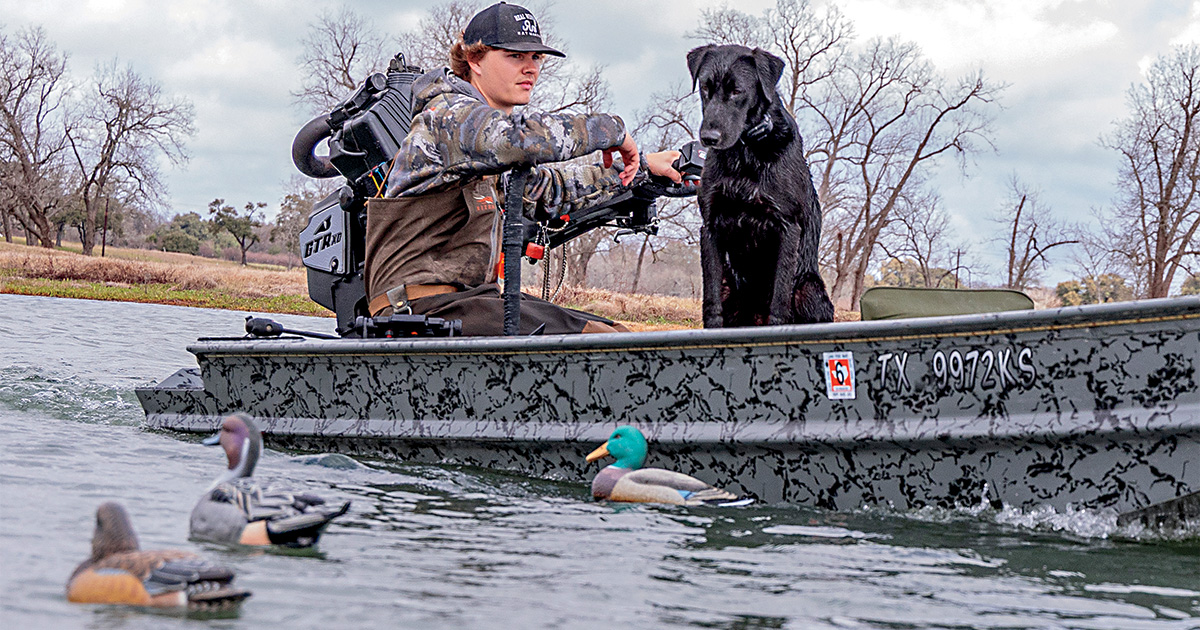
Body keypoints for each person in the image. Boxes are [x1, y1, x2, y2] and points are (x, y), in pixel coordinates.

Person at [365, 1, 682, 335]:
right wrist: (611, 130)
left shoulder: (482, 144)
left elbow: (548, 190)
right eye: (515, 56)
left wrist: (643, 169)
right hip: (416, 308)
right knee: (598, 342)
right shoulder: (448, 118)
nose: (530, 68)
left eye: (536, 58)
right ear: (475, 59)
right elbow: (521, 139)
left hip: (469, 301)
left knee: (614, 330)